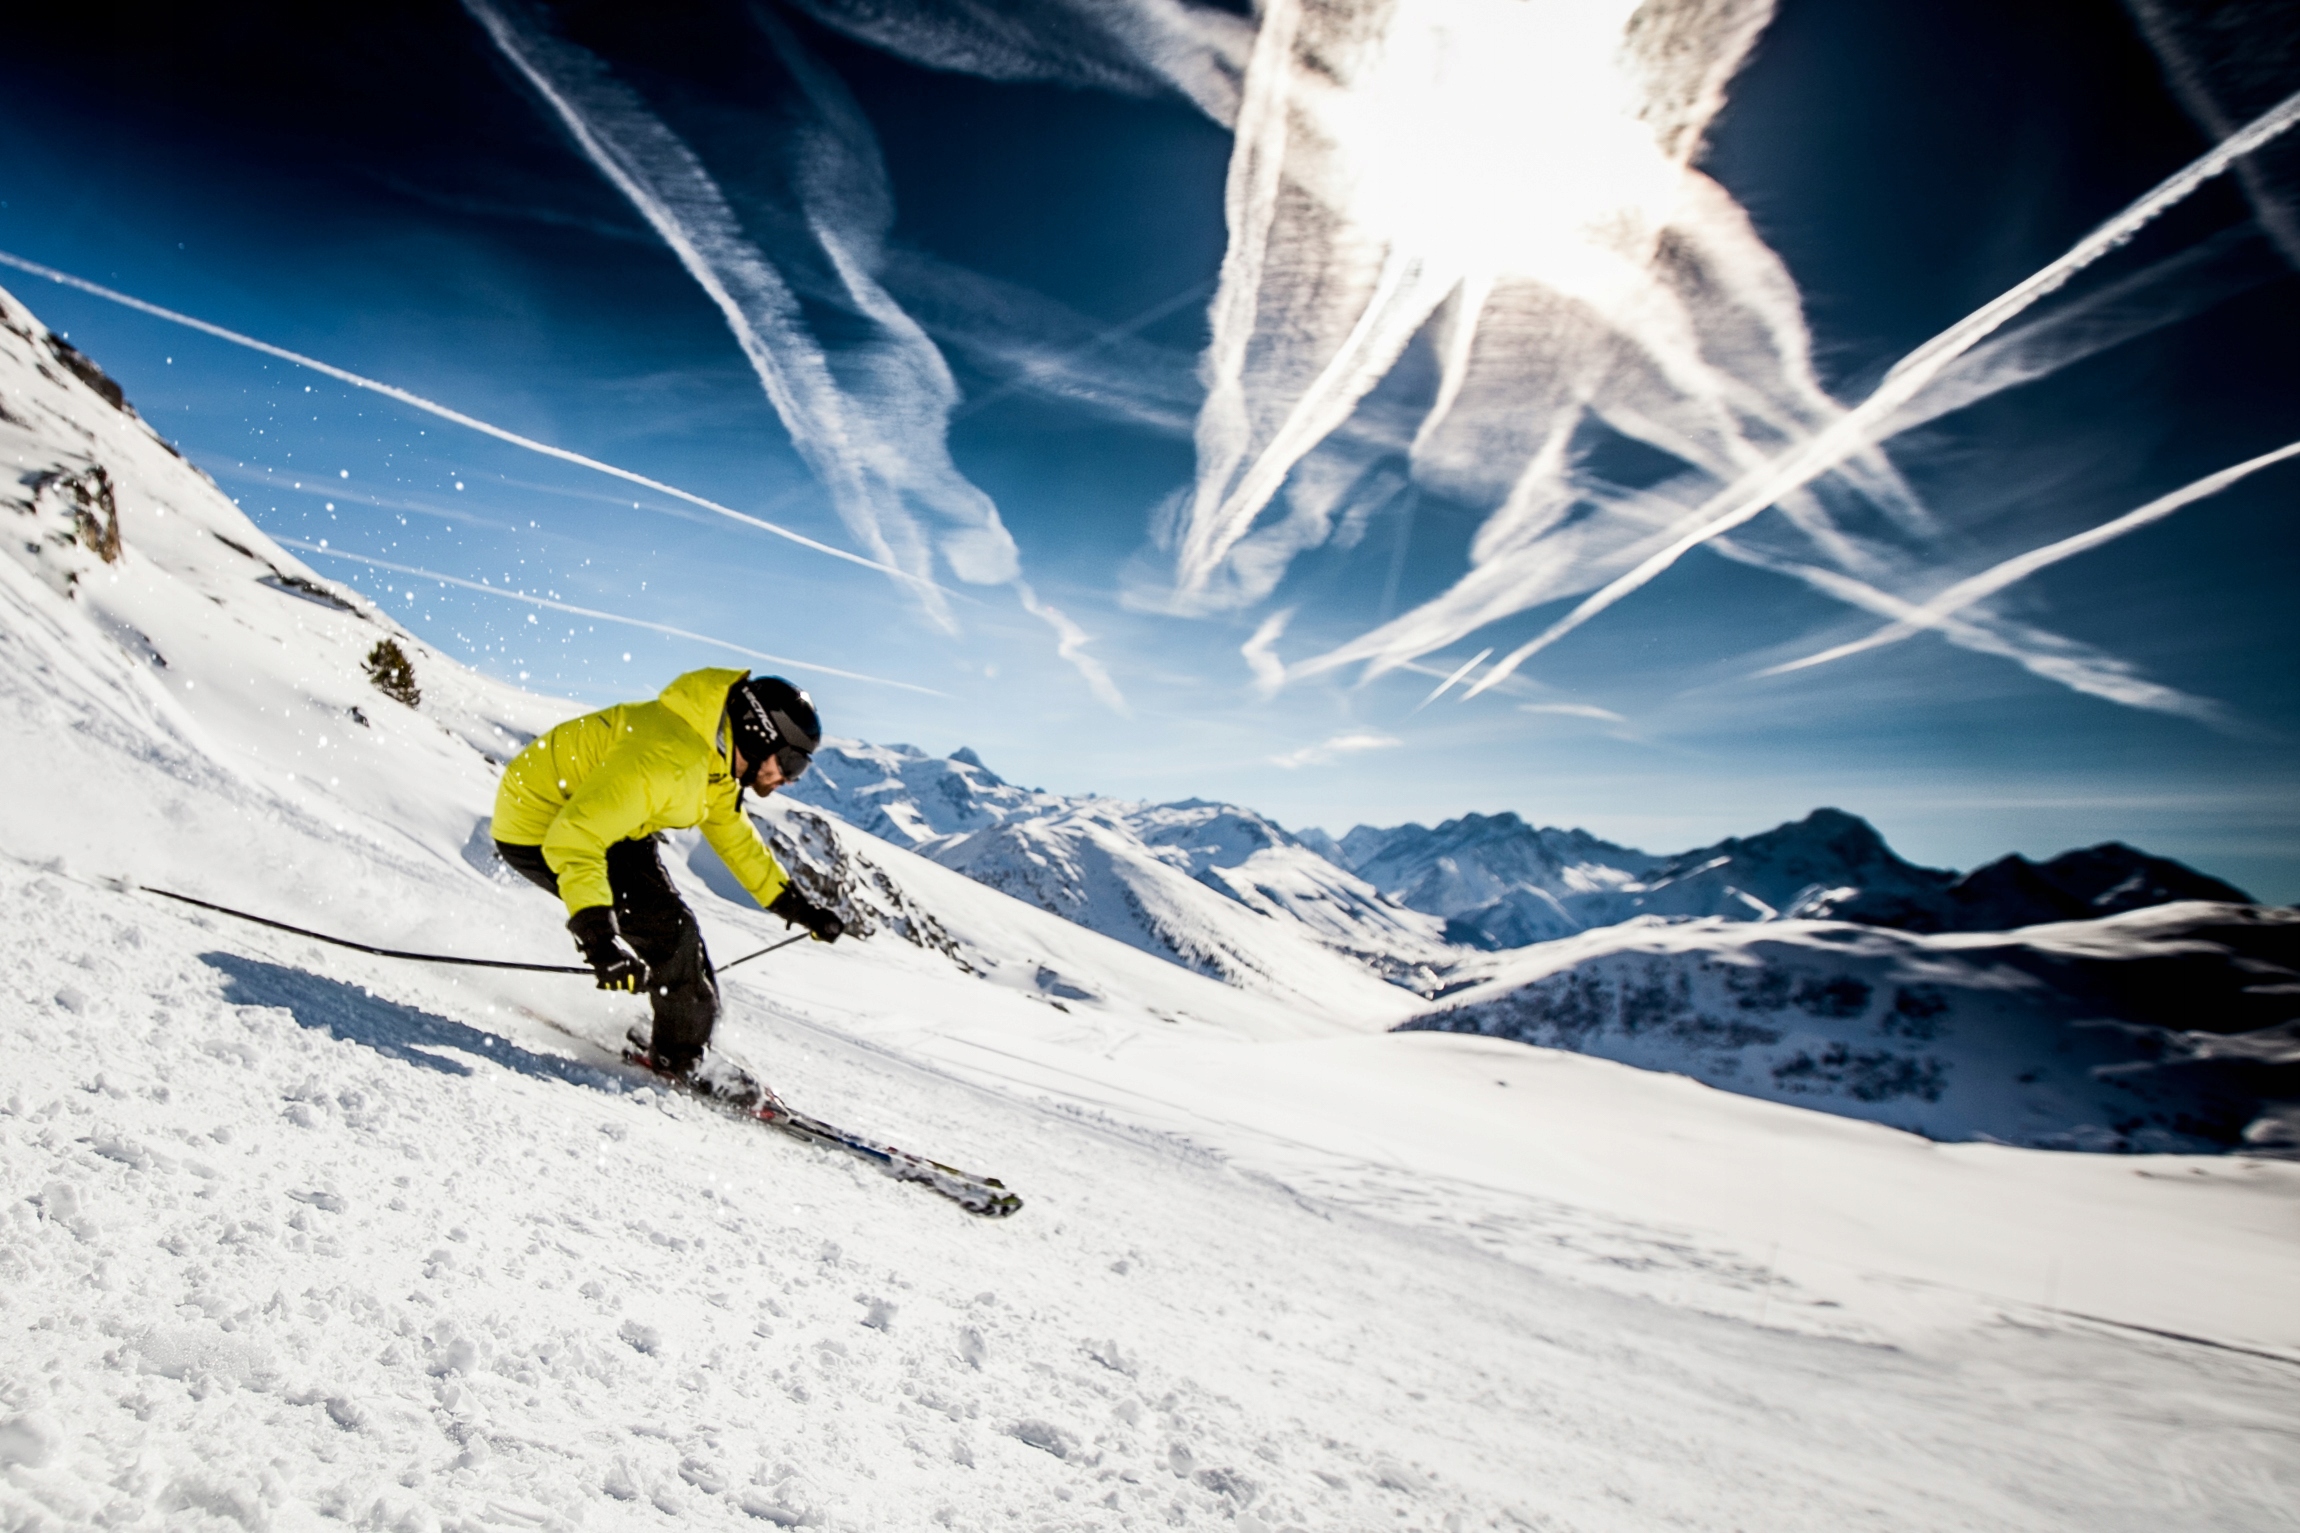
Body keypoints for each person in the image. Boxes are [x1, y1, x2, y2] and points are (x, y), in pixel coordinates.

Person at [491, 666, 845, 1074]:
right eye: (791, 762)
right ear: (757, 732)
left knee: (681, 937)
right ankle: (679, 1058)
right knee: (672, 936)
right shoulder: (672, 760)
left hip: (608, 821)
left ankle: (686, 1038)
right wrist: (598, 939)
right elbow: (573, 837)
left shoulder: (714, 757)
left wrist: (798, 907)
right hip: (540, 823)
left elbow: (735, 837)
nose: (788, 779)